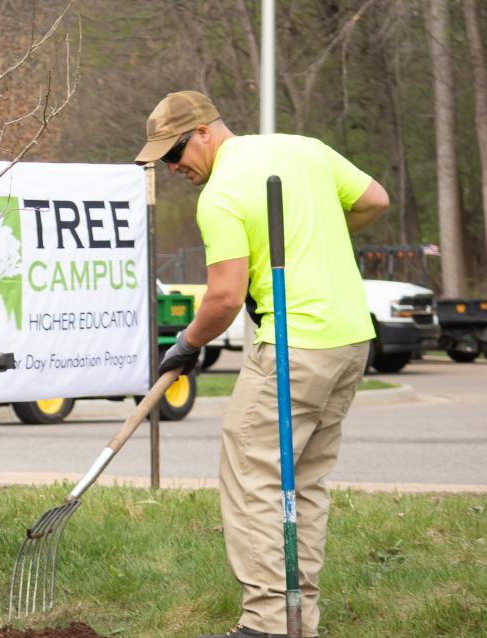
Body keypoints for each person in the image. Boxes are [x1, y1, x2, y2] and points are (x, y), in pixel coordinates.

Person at [136, 91, 390, 638]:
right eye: (163, 159)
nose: (173, 166)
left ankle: (269, 626)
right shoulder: (305, 149)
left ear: (203, 131)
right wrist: (322, 235)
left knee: (253, 479)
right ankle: (298, 620)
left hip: (293, 345)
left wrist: (185, 343)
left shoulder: (222, 192)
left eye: (175, 151)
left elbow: (224, 298)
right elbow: (375, 200)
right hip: (350, 342)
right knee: (305, 482)